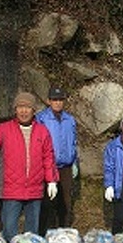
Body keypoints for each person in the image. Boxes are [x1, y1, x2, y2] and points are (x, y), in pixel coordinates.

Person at [0, 92, 59, 243]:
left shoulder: (42, 132)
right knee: (10, 232)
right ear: (15, 110)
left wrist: (51, 180)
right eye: (20, 107)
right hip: (12, 191)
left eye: (27, 107)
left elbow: (48, 157)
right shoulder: (4, 130)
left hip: (35, 191)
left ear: (33, 110)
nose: (24, 111)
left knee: (32, 234)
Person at [36, 86, 78, 234]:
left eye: (60, 99)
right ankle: (42, 234)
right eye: (54, 99)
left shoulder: (70, 120)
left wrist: (74, 162)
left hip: (66, 167)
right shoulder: (41, 119)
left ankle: (64, 234)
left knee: (65, 203)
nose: (58, 103)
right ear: (49, 101)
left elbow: (73, 142)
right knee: (46, 202)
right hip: (48, 166)